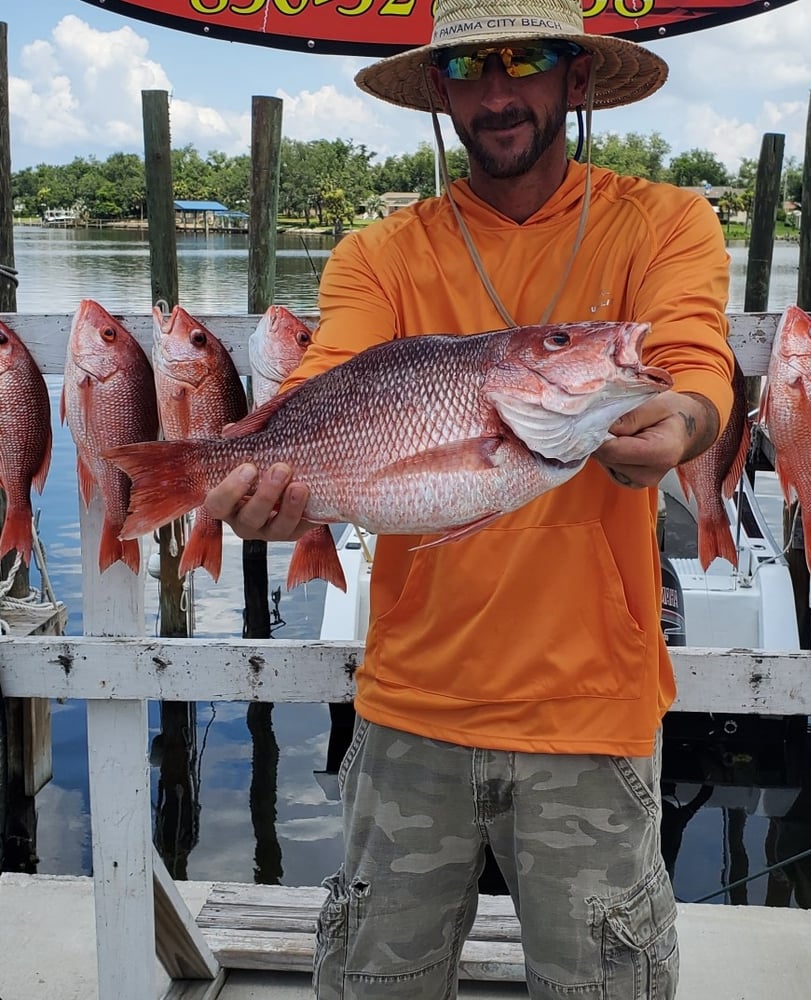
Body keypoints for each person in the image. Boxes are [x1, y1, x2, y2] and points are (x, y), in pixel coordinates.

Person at [205, 1, 735, 996]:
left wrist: (685, 424)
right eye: (466, 69)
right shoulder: (382, 254)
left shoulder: (664, 220)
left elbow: (694, 360)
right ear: (437, 91)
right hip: (411, 708)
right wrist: (261, 477)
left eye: (525, 60)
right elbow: (332, 385)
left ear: (575, 77)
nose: (497, 93)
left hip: (589, 708)